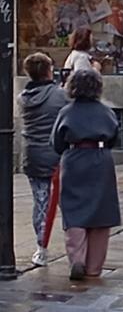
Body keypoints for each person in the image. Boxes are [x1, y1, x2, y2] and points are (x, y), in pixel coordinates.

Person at [51, 69, 122, 280]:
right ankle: (94, 267)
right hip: (101, 160)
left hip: (74, 159)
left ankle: (77, 259)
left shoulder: (66, 112)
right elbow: (114, 138)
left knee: (74, 211)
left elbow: (56, 142)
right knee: (101, 214)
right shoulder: (107, 111)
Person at [19, 52, 69, 267]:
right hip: (56, 155)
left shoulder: (23, 98)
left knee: (40, 201)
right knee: (67, 202)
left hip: (32, 154)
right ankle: (75, 244)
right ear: (49, 70)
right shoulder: (59, 95)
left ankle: (41, 247)